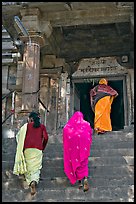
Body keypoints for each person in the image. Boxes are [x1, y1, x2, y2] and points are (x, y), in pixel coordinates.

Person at [13, 111, 48, 195]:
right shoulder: (42, 127)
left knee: (28, 167)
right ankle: (34, 180)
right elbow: (46, 138)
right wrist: (42, 147)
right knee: (36, 168)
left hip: (27, 149)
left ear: (31, 119)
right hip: (38, 149)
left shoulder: (25, 127)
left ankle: (30, 182)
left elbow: (18, 136)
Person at [63, 111, 93, 192]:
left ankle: (79, 182)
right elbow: (90, 133)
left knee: (75, 162)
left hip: (73, 149)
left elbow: (65, 130)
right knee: (83, 162)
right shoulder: (86, 124)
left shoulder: (69, 126)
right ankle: (85, 178)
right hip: (84, 148)